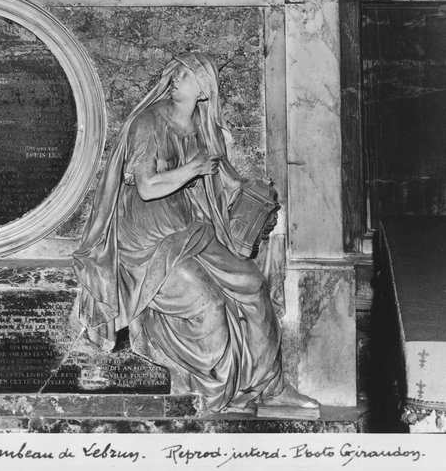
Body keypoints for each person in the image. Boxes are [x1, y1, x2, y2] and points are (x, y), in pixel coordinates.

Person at [73, 53, 318, 416]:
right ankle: (214, 393)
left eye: (187, 75)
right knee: (209, 303)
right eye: (177, 72)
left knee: (253, 284)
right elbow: (147, 187)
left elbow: (222, 178)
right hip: (148, 244)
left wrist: (253, 193)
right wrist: (192, 168)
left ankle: (271, 387)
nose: (176, 78)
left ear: (205, 90)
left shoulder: (204, 127)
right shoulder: (147, 123)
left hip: (190, 231)